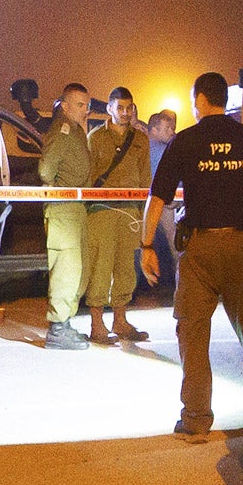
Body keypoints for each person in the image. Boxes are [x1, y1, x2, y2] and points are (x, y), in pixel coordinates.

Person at [140, 72, 243, 443]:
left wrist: (146, 244)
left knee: (194, 335)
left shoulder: (186, 140)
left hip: (199, 251)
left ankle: (197, 418)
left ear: (199, 100)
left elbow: (158, 198)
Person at [83, 87, 151, 344]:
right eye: (120, 108)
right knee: (101, 266)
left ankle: (120, 320)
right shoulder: (96, 137)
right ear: (109, 109)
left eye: (129, 108)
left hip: (129, 211)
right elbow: (89, 175)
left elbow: (146, 178)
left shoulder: (140, 140)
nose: (125, 113)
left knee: (126, 268)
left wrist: (143, 211)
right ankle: (97, 323)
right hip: (102, 211)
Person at [37, 82, 94, 350]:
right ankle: (57, 328)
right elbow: (47, 171)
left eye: (87, 105)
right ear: (65, 105)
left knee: (76, 270)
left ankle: (65, 322)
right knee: (65, 270)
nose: (86, 110)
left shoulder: (76, 131)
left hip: (76, 208)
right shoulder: (62, 131)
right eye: (80, 105)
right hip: (62, 208)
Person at [137, 109, 178, 294]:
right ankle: (179, 286)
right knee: (175, 246)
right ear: (153, 129)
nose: (172, 131)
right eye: (167, 128)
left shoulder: (141, 148)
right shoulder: (163, 151)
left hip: (142, 205)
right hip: (165, 205)